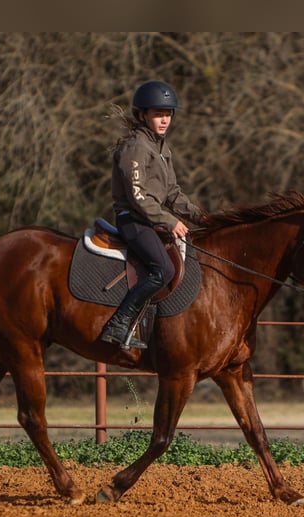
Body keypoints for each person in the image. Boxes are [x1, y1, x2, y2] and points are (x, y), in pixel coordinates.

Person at [100, 80, 207, 349]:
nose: (164, 120)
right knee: (163, 269)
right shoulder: (136, 148)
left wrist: (201, 217)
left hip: (150, 220)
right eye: (158, 114)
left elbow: (172, 193)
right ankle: (119, 323)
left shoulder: (161, 148)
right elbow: (138, 198)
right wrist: (170, 221)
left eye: (168, 114)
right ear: (142, 115)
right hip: (133, 221)